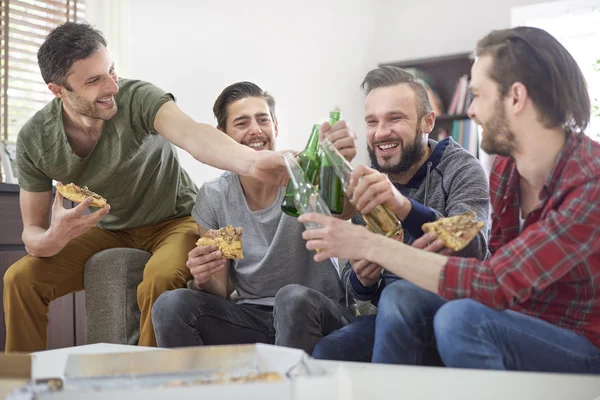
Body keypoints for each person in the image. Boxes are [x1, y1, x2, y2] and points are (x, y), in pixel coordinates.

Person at [301, 27, 600, 373]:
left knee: (462, 320)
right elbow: (488, 261)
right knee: (374, 321)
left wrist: (372, 244)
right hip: (514, 319)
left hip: (579, 342)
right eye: (372, 122)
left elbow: (491, 279)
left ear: (515, 98)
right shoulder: (506, 168)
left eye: (477, 95)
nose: (470, 111)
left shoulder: (589, 184)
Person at [3, 23, 287, 352]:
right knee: (19, 279)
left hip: (175, 220)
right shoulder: (35, 140)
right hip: (109, 227)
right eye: (94, 80)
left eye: (111, 70)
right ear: (58, 91)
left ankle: (148, 380)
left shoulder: (137, 97)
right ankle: (20, 384)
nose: (112, 86)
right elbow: (32, 235)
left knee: (160, 276)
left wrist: (254, 164)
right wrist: (55, 237)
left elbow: (194, 135)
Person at [151, 81, 356, 354]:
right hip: (253, 318)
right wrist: (203, 277)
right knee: (170, 304)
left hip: (316, 310)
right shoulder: (215, 196)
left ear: (276, 127)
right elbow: (219, 289)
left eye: (263, 120)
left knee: (291, 297)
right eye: (242, 123)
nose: (256, 130)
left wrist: (340, 163)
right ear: (221, 135)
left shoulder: (304, 176)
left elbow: (343, 211)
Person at [311, 66, 490, 364]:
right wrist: (361, 281)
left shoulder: (462, 168)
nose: (381, 133)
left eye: (395, 118)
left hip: (449, 313)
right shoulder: (363, 180)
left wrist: (402, 206)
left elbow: (474, 246)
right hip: (386, 317)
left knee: (400, 296)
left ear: (427, 122)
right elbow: (354, 292)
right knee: (327, 353)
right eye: (372, 122)